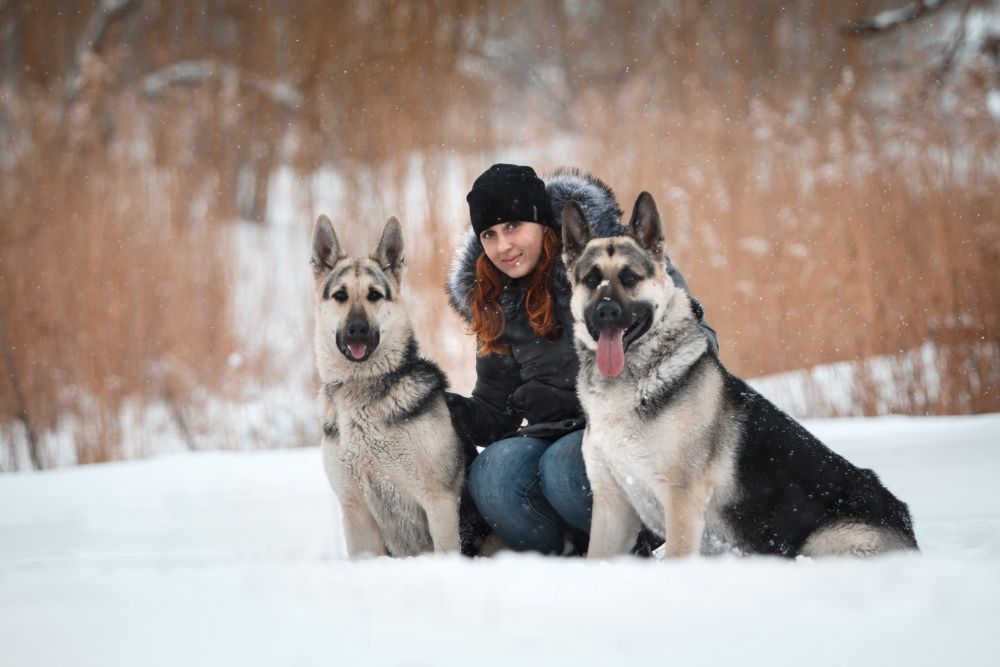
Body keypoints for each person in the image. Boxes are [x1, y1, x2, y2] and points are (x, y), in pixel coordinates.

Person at [445, 163, 718, 555]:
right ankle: (567, 557)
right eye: (489, 234)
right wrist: (442, 406)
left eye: (513, 226)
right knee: (495, 474)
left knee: (563, 466)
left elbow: (697, 340)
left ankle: (640, 539)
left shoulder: (613, 256)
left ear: (541, 221)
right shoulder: (495, 298)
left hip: (631, 429)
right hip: (550, 432)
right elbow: (495, 410)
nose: (503, 246)